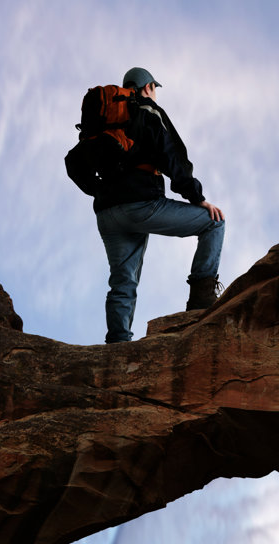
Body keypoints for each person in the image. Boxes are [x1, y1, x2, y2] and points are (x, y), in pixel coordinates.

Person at [68, 67, 225, 343]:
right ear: (148, 87)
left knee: (122, 282)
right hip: (141, 205)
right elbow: (173, 157)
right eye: (154, 88)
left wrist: (99, 191)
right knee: (214, 223)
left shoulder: (105, 119)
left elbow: (72, 163)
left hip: (107, 213)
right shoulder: (148, 111)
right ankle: (200, 305)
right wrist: (198, 198)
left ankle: (117, 346)